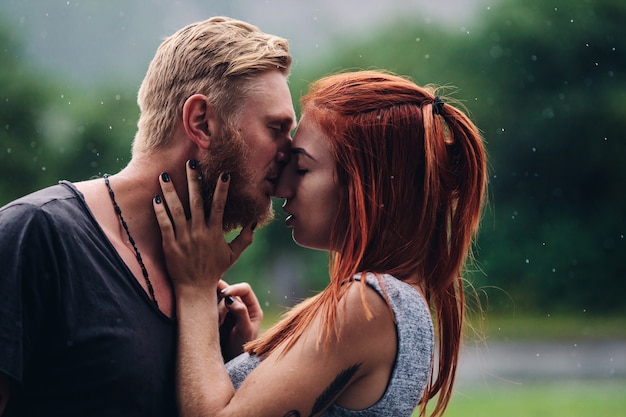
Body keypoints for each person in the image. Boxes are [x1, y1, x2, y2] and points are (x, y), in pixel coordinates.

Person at [0, 16, 296, 416]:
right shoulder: (35, 236)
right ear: (201, 123)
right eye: (277, 128)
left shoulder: (203, 289)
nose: (290, 154)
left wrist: (230, 363)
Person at [155, 70, 488, 417]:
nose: (282, 187)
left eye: (301, 168)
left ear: (366, 186)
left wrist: (195, 287)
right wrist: (246, 357)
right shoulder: (397, 303)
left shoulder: (369, 303)